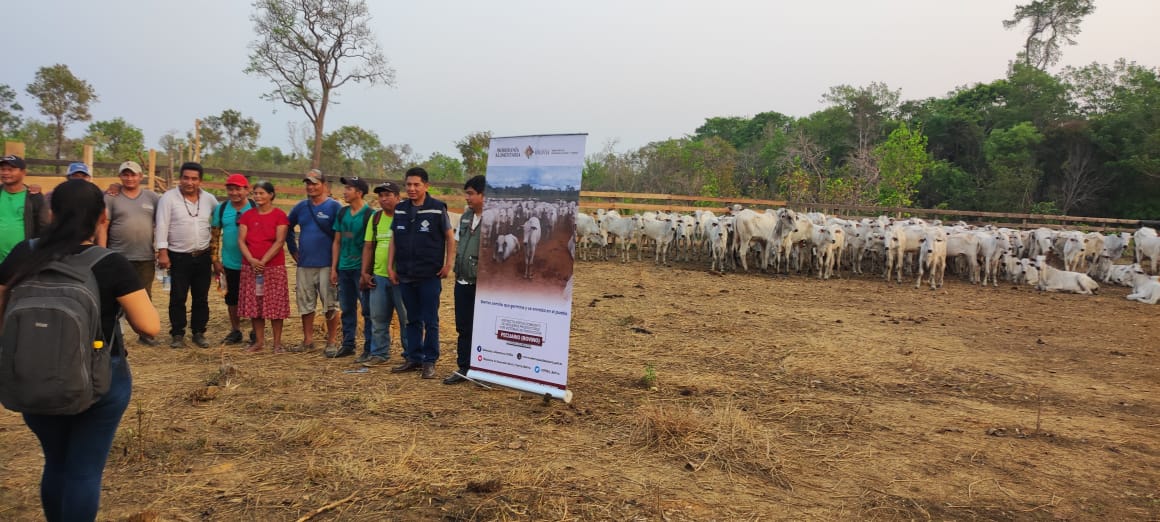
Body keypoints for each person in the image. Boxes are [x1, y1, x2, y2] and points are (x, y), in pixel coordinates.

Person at [0, 179, 160, 521]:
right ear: (103, 217)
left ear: (51, 213)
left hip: (32, 374)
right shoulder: (109, 263)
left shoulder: (22, 255)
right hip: (100, 379)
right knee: (84, 471)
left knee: (55, 462)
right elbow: (150, 326)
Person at [387, 167, 454, 379]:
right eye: (408, 185)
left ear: (426, 186)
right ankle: (413, 357)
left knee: (430, 320)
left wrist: (448, 264)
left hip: (429, 275)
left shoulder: (436, 209)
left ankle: (429, 360)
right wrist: (391, 266)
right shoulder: (400, 209)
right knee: (411, 319)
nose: (412, 188)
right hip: (406, 274)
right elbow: (393, 240)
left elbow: (450, 238)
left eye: (416, 184)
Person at [99, 160, 162, 346]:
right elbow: (104, 225)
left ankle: (144, 334)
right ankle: (115, 332)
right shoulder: (111, 197)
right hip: (118, 255)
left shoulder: (152, 197)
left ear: (140, 176)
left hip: (145, 255)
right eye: (125, 174)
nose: (129, 178)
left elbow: (163, 221)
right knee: (114, 296)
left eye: (133, 174)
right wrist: (102, 253)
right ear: (120, 177)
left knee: (144, 295)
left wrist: (161, 248)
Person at [154, 162, 217, 348]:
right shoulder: (168, 198)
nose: (190, 182)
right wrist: (163, 252)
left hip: (203, 256)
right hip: (178, 256)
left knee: (201, 297)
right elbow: (162, 225)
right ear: (180, 178)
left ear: (200, 181)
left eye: (194, 179)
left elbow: (221, 216)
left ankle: (198, 332)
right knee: (178, 296)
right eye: (186, 178)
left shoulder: (209, 199)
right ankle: (177, 334)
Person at [286, 169, 341, 353]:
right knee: (305, 303)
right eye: (308, 183)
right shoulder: (301, 207)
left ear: (324, 185)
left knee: (330, 303)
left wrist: (337, 262)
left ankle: (332, 341)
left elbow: (341, 234)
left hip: (327, 263)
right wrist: (293, 249)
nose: (311, 187)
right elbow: (287, 227)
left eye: (315, 183)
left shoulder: (334, 207)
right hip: (305, 264)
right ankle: (307, 340)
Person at [359, 182, 409, 366]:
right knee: (378, 318)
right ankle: (379, 353)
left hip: (401, 278)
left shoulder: (405, 216)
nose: (383, 199)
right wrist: (365, 272)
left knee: (406, 319)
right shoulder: (376, 218)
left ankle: (410, 355)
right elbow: (369, 246)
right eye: (380, 196)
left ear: (398, 197)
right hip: (379, 276)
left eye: (388, 195)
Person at [237, 181, 290, 353]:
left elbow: (279, 241)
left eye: (261, 193)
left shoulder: (280, 215)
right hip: (250, 267)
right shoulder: (247, 216)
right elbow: (241, 240)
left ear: (271, 195)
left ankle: (276, 343)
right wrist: (252, 260)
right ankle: (259, 342)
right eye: (255, 193)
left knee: (275, 306)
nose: (258, 196)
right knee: (256, 305)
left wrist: (263, 261)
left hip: (273, 267)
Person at [444, 175, 485, 384]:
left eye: (470, 194)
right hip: (462, 280)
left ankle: (484, 368)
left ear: (483, 195)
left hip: (483, 284)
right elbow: (458, 242)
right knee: (463, 325)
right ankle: (464, 367)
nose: (466, 198)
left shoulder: (494, 220)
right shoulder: (466, 216)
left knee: (483, 326)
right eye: (466, 193)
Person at [328, 176, 372, 358]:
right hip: (344, 268)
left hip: (360, 269)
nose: (344, 192)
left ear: (359, 193)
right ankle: (348, 344)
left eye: (349, 189)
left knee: (367, 310)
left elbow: (370, 245)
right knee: (347, 308)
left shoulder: (370, 215)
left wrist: (366, 271)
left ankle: (369, 347)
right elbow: (337, 242)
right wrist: (334, 268)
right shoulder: (342, 213)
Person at [211, 173, 256, 345]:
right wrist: (215, 259)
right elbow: (214, 236)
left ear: (247, 190)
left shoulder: (254, 207)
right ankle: (235, 330)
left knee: (253, 297)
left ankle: (255, 331)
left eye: (238, 189)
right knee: (231, 298)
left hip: (251, 262)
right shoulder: (221, 209)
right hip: (229, 262)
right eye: (231, 189)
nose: (234, 192)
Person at [0, 155, 50, 263]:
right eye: (3, 169)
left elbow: (44, 228)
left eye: (10, 169)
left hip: (22, 262)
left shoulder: (34, 197)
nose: (5, 173)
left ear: (23, 172)